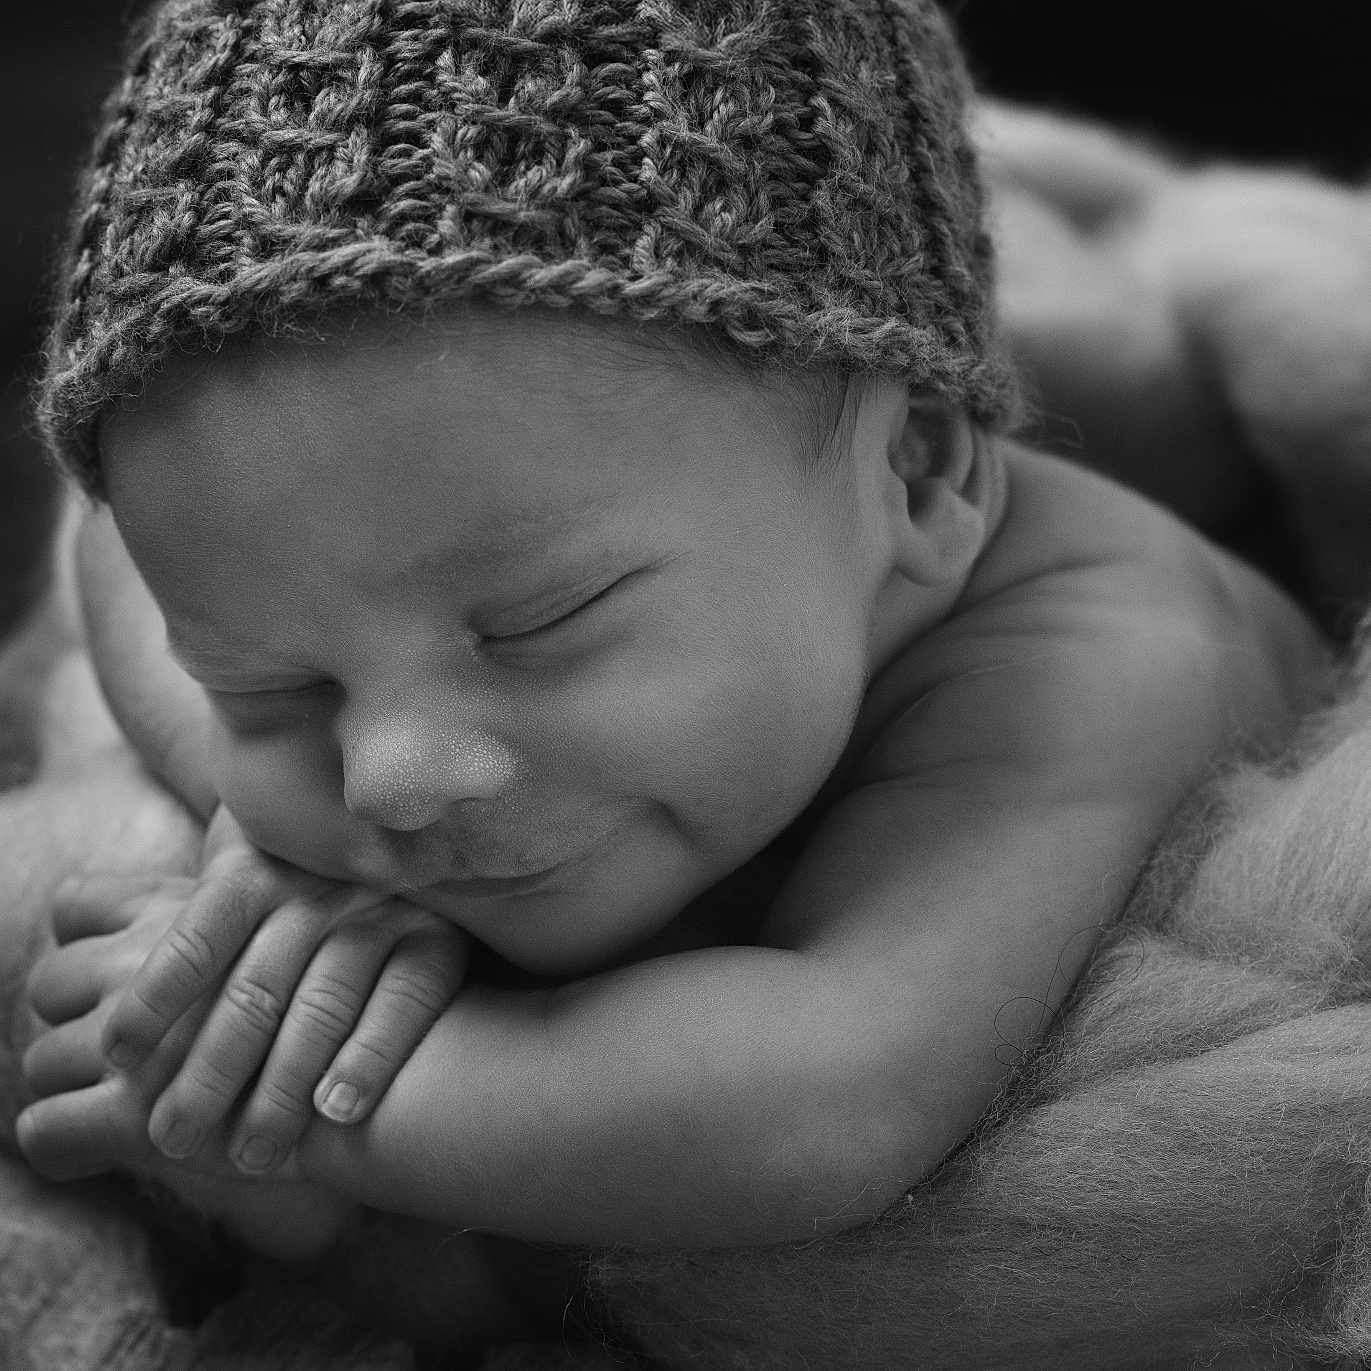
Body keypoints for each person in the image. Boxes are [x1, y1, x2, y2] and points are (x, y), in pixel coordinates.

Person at [5, 0, 1326, 1343]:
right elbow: (106, 547)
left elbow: (834, 1093)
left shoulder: (1098, 647)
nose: (392, 776)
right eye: (272, 685)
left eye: (539, 623)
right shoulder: (412, 547)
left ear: (920, 478)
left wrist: (296, 1098)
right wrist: (262, 857)